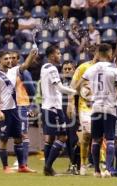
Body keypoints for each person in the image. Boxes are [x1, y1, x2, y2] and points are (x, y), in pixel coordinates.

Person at [75, 43, 117, 177]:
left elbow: (77, 86)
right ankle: (108, 169)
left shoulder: (91, 69)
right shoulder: (114, 69)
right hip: (109, 107)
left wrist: (88, 95)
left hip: (96, 107)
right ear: (109, 54)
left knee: (96, 139)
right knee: (109, 139)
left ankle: (96, 171)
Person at [0, 49, 37, 173]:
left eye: (10, 58)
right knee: (4, 139)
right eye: (6, 58)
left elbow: (25, 65)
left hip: (14, 110)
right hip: (4, 111)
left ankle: (22, 166)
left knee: (18, 138)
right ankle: (5, 167)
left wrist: (31, 55)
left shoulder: (13, 71)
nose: (9, 60)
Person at [41, 45, 76, 176]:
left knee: (50, 139)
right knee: (62, 136)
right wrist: (76, 91)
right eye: (58, 53)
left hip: (47, 106)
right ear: (51, 55)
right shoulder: (52, 68)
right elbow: (60, 88)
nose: (60, 55)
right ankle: (48, 167)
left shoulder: (44, 67)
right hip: (54, 108)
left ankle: (47, 167)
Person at [68, 50, 98, 176]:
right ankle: (83, 164)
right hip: (85, 106)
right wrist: (70, 103)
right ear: (96, 53)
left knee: (101, 137)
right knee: (86, 135)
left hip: (101, 105)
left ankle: (100, 165)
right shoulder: (83, 67)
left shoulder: (108, 68)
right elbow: (73, 86)